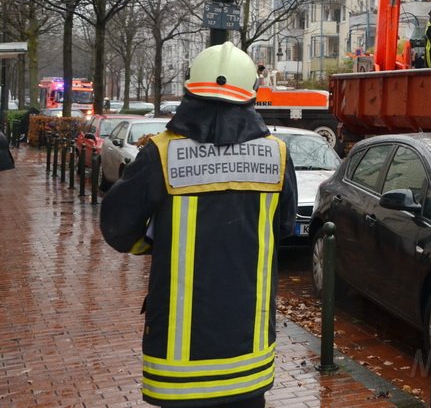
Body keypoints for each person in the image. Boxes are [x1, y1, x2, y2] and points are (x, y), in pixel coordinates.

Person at [100, 42, 298, 408]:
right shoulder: (278, 154)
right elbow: (283, 227)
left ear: (190, 89)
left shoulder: (161, 152)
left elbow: (117, 228)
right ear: (251, 95)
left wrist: (157, 244)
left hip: (179, 364)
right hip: (248, 355)